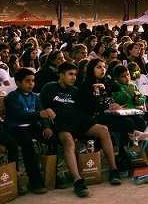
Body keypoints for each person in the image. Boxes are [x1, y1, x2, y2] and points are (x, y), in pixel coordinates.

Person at [40, 61, 122, 196]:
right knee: (69, 141)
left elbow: (85, 109)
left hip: (78, 120)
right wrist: (47, 109)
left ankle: (114, 170)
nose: (73, 78)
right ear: (61, 75)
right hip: (61, 122)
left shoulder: (76, 91)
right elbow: (39, 106)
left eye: (75, 75)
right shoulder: (49, 88)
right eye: (70, 74)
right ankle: (77, 180)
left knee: (103, 130)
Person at [4, 68, 55, 194]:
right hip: (15, 127)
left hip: (30, 125)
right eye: (27, 81)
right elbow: (17, 115)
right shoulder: (12, 97)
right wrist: (38, 115)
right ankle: (34, 181)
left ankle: (52, 174)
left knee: (52, 139)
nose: (31, 84)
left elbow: (42, 113)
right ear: (18, 83)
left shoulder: (34, 97)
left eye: (33, 81)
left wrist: (46, 126)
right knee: (27, 144)